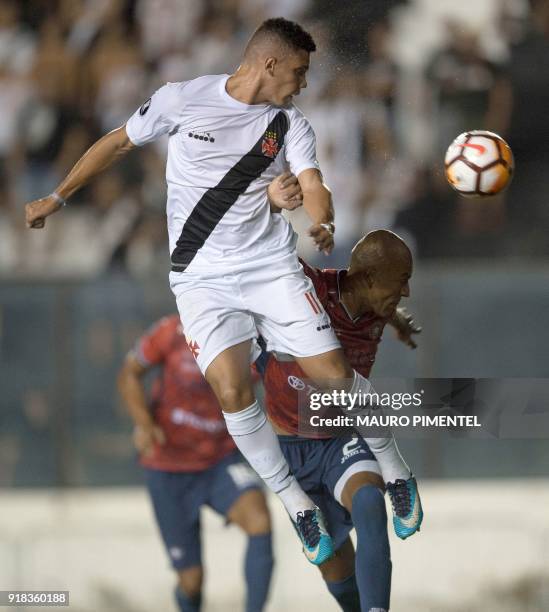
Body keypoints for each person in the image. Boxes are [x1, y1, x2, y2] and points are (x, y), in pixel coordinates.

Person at [24, 17, 421, 565]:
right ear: (270, 63)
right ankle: (296, 503)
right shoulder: (181, 100)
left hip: (269, 267)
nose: (303, 83)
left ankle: (395, 469)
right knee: (232, 389)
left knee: (330, 375)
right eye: (299, 72)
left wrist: (318, 218)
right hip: (200, 277)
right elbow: (116, 144)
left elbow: (312, 184)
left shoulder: (288, 122)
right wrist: (57, 197)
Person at [258, 228, 422, 612]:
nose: (407, 292)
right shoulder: (306, 290)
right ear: (367, 278)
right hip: (288, 448)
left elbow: (382, 307)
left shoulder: (378, 306)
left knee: (368, 500)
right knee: (339, 574)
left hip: (340, 439)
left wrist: (396, 319)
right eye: (401, 282)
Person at [118, 314, 273, 612]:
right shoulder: (170, 330)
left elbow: (281, 386)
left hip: (221, 458)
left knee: (259, 519)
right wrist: (144, 424)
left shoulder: (254, 337)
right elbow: (129, 374)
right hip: (168, 465)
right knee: (191, 581)